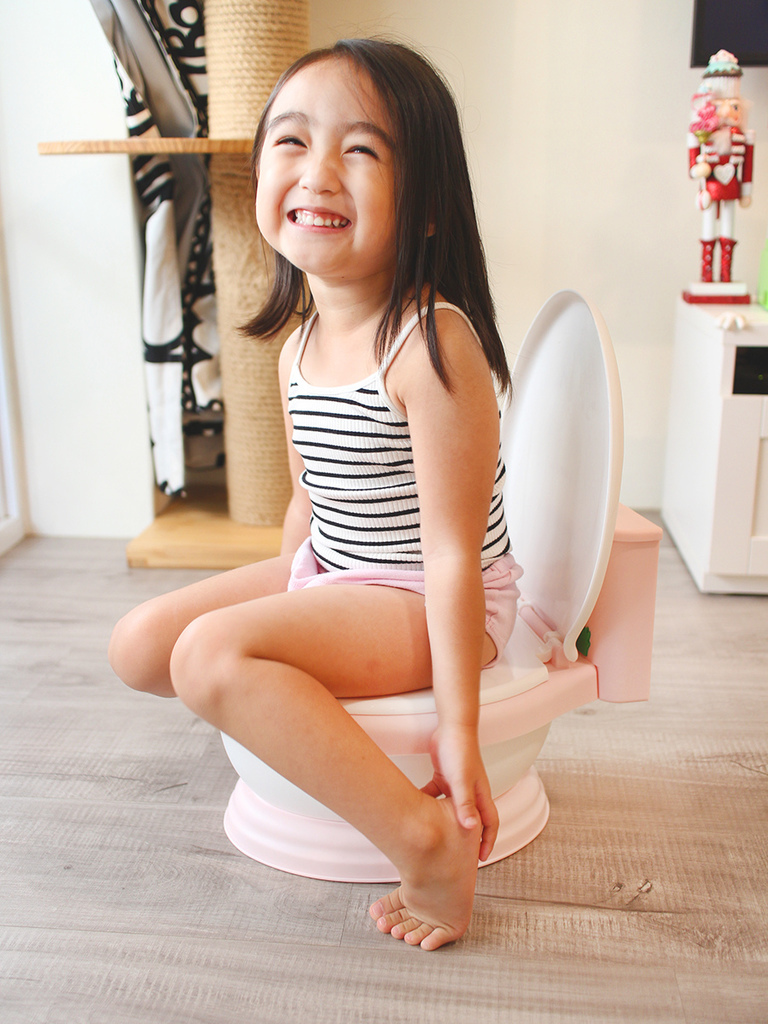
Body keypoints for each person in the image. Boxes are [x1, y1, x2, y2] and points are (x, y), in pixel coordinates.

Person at [108, 38, 523, 951]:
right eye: (291, 141)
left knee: (208, 656)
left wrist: (458, 732)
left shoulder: (430, 344)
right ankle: (293, 731)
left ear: (428, 205)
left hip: (431, 596)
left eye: (361, 149)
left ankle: (424, 841)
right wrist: (285, 602)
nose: (317, 171)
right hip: (338, 569)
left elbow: (452, 556)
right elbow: (310, 503)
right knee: (141, 646)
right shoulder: (298, 344)